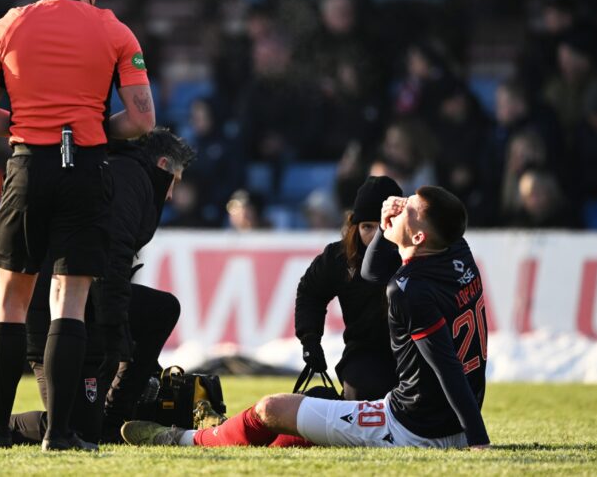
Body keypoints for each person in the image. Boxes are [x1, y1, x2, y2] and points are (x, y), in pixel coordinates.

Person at [0, 0, 156, 452]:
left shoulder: (5, 26)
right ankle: (60, 435)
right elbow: (141, 119)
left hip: (25, 167)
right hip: (84, 169)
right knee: (69, 299)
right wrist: (85, 128)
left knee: (10, 301)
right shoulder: (114, 29)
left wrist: (30, 127)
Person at [121, 186, 490, 449]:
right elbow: (374, 272)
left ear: (421, 235)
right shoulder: (457, 249)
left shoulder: (409, 289)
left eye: (408, 208)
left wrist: (478, 441)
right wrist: (387, 221)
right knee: (299, 423)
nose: (397, 206)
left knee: (271, 408)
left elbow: (446, 367)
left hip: (413, 426)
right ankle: (245, 438)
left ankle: (180, 439)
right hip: (449, 420)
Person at [0, 129, 194, 445]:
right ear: (163, 164)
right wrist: (115, 328)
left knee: (160, 309)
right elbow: (115, 255)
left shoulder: (117, 169)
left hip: (64, 306)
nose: (172, 193)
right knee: (78, 428)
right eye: (174, 180)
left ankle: (112, 415)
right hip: (62, 313)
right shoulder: (131, 177)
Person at [295, 176, 401, 401]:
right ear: (355, 226)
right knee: (362, 396)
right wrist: (310, 338)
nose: (375, 235)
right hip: (365, 353)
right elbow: (310, 292)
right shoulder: (339, 257)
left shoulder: (419, 254)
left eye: (384, 225)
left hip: (416, 351)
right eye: (367, 227)